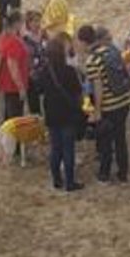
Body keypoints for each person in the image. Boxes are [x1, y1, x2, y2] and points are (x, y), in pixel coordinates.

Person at [78, 24, 130, 184]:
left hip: (109, 105)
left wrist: (97, 110)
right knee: (120, 138)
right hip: (124, 100)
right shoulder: (112, 50)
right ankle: (123, 173)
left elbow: (98, 87)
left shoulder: (92, 60)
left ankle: (104, 173)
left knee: (105, 141)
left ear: (83, 42)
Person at [40, 34, 85, 192]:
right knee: (68, 148)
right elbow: (78, 92)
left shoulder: (45, 71)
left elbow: (40, 89)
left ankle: (56, 180)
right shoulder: (69, 71)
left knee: (55, 148)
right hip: (68, 113)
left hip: (52, 112)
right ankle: (70, 181)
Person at [0, 10, 30, 121]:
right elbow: (13, 67)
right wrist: (21, 87)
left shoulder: (3, 37)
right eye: (22, 22)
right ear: (17, 24)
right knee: (15, 118)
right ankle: (12, 138)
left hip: (5, 83)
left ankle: (5, 137)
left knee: (8, 115)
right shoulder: (14, 42)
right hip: (13, 86)